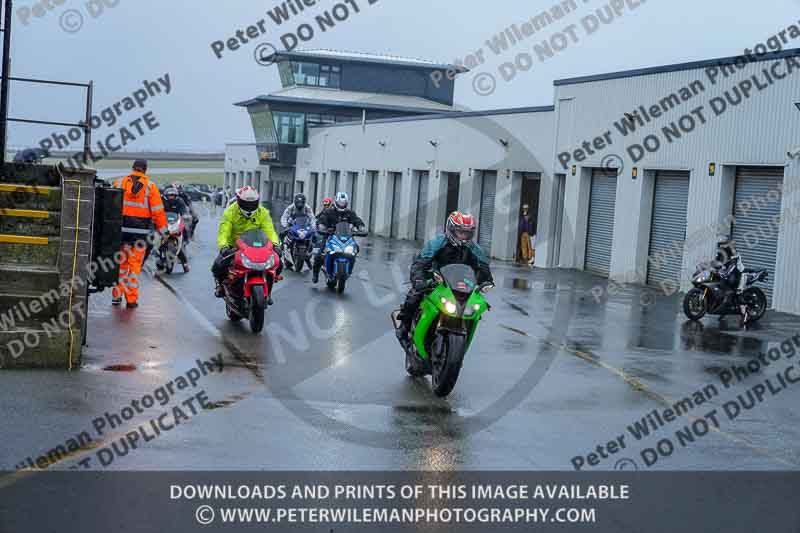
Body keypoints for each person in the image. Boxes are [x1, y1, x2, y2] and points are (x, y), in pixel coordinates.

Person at [395, 211, 494, 345]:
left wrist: (487, 281)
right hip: (437, 280)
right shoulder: (437, 243)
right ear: (451, 229)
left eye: (467, 233)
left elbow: (484, 268)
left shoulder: (474, 249)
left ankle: (465, 336)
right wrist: (419, 279)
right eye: (460, 232)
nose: (463, 236)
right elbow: (420, 263)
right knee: (415, 295)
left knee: (475, 307)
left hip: (462, 284)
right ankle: (404, 327)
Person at [111, 160, 167, 309]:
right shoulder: (150, 187)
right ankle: (131, 300)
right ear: (145, 170)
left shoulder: (119, 183)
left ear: (133, 168)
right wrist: (164, 232)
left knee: (121, 265)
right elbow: (158, 212)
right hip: (140, 236)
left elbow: (110, 205)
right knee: (134, 268)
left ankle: (116, 296)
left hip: (121, 233)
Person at [212, 186, 281, 302]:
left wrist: (276, 245)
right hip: (234, 248)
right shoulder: (230, 212)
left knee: (279, 262)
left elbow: (270, 231)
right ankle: (220, 286)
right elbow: (223, 231)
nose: (249, 207)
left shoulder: (263, 212)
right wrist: (223, 247)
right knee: (218, 265)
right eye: (246, 203)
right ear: (239, 201)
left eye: (252, 203)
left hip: (257, 247)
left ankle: (268, 291)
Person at [311, 192, 364, 283]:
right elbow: (322, 219)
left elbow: (356, 220)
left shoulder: (349, 213)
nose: (342, 205)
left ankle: (349, 270)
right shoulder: (329, 212)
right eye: (340, 203)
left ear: (346, 203)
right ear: (336, 202)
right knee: (319, 255)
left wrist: (360, 227)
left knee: (355, 250)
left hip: (346, 238)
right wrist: (322, 226)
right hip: (330, 236)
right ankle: (315, 274)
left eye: (343, 203)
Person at [160, 186, 191, 273]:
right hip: (163, 223)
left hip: (175, 222)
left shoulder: (179, 201)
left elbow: (184, 210)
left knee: (181, 245)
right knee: (154, 239)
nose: (171, 197)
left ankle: (185, 264)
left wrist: (186, 215)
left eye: (173, 195)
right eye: (170, 195)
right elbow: (157, 210)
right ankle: (157, 253)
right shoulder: (161, 200)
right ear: (166, 195)